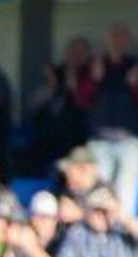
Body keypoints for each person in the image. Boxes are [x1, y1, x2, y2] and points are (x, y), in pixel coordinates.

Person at [85, 23, 138, 216]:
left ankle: (123, 240)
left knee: (126, 195)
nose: (117, 41)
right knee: (98, 195)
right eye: (113, 37)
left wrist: (135, 85)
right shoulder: (96, 63)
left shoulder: (137, 66)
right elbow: (81, 99)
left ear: (129, 42)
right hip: (100, 140)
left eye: (121, 37)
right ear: (106, 40)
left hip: (129, 140)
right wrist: (95, 79)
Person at [26, 38, 95, 175]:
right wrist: (51, 87)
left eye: (80, 53)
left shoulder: (91, 75)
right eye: (73, 51)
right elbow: (31, 104)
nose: (76, 56)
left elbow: (87, 103)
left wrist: (74, 82)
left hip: (78, 134)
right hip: (47, 133)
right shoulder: (55, 72)